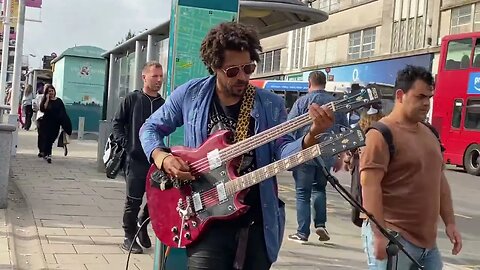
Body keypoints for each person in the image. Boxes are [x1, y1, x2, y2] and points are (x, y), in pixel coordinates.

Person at [139, 22, 334, 270]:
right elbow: (150, 128)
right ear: (215, 67)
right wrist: (162, 157)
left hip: (256, 217)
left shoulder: (269, 104)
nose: (242, 76)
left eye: (248, 68)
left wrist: (312, 136)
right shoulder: (191, 95)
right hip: (205, 213)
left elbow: (283, 150)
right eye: (232, 71)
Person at [359, 65, 462, 269]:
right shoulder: (380, 134)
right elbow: (369, 186)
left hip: (428, 245)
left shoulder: (430, 133)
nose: (426, 104)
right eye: (420, 96)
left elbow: (439, 181)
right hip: (394, 238)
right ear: (400, 95)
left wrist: (450, 222)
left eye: (429, 98)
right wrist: (379, 235)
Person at [286, 71, 348, 243]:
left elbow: (289, 127)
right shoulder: (335, 103)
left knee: (302, 193)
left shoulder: (302, 102)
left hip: (305, 152)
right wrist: (341, 156)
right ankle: (320, 224)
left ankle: (302, 232)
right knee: (319, 189)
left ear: (309, 83)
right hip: (327, 153)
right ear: (325, 83)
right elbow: (344, 129)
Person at [112, 61, 165, 254]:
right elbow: (117, 123)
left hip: (156, 161)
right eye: (155, 76)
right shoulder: (132, 99)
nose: (159, 80)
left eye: (161, 76)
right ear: (144, 77)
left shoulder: (163, 103)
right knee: (133, 200)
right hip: (134, 160)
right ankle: (129, 236)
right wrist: (127, 145)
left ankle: (142, 225)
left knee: (156, 200)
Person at [39, 84, 71, 163]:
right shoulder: (46, 101)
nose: (51, 93)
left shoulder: (59, 101)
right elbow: (43, 109)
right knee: (47, 139)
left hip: (56, 124)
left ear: (54, 91)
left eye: (52, 91)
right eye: (49, 91)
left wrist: (65, 124)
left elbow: (63, 113)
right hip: (46, 123)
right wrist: (47, 99)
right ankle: (48, 154)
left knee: (52, 139)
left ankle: (46, 153)